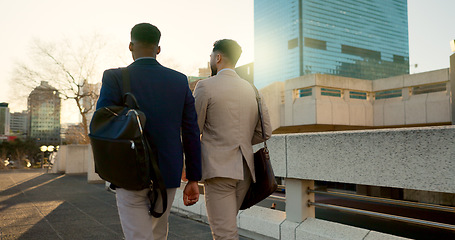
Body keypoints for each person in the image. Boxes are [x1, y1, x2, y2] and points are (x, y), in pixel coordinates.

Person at [96, 23, 202, 240]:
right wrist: (193, 178)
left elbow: (101, 124)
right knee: (158, 233)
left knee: (138, 235)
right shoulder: (179, 80)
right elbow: (191, 131)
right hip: (168, 171)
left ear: (130, 46)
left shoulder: (114, 77)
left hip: (128, 170)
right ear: (158, 49)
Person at [194, 39, 272, 240]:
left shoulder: (205, 86)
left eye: (211, 57)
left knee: (224, 233)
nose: (211, 60)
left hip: (218, 170)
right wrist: (242, 140)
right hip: (246, 171)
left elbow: (194, 130)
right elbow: (265, 132)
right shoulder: (253, 90)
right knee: (227, 229)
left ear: (218, 57)